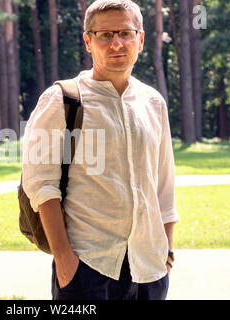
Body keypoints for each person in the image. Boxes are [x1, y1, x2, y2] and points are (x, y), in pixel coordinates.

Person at [22, 0, 180, 300]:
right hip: (88, 267)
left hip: (150, 268)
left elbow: (164, 186)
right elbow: (41, 186)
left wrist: (167, 252)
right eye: (105, 35)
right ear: (88, 41)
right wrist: (65, 260)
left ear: (141, 39)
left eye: (125, 33)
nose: (116, 43)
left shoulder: (153, 102)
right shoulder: (62, 100)